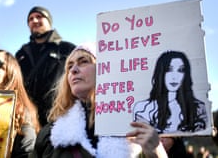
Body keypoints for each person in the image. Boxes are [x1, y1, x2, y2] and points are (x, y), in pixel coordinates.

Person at [31, 45, 167, 158]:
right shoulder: (50, 134)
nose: (73, 70)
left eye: (83, 61)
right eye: (69, 67)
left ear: (105, 68)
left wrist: (156, 152)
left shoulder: (136, 127)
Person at [15, 6, 76, 126]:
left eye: (39, 17)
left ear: (49, 22)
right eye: (31, 19)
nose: (35, 21)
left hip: (58, 117)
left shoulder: (67, 49)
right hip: (26, 119)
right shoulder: (21, 53)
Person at [133, 50, 208, 133]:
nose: (174, 77)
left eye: (180, 70)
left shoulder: (198, 108)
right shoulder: (143, 109)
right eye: (169, 69)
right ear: (160, 72)